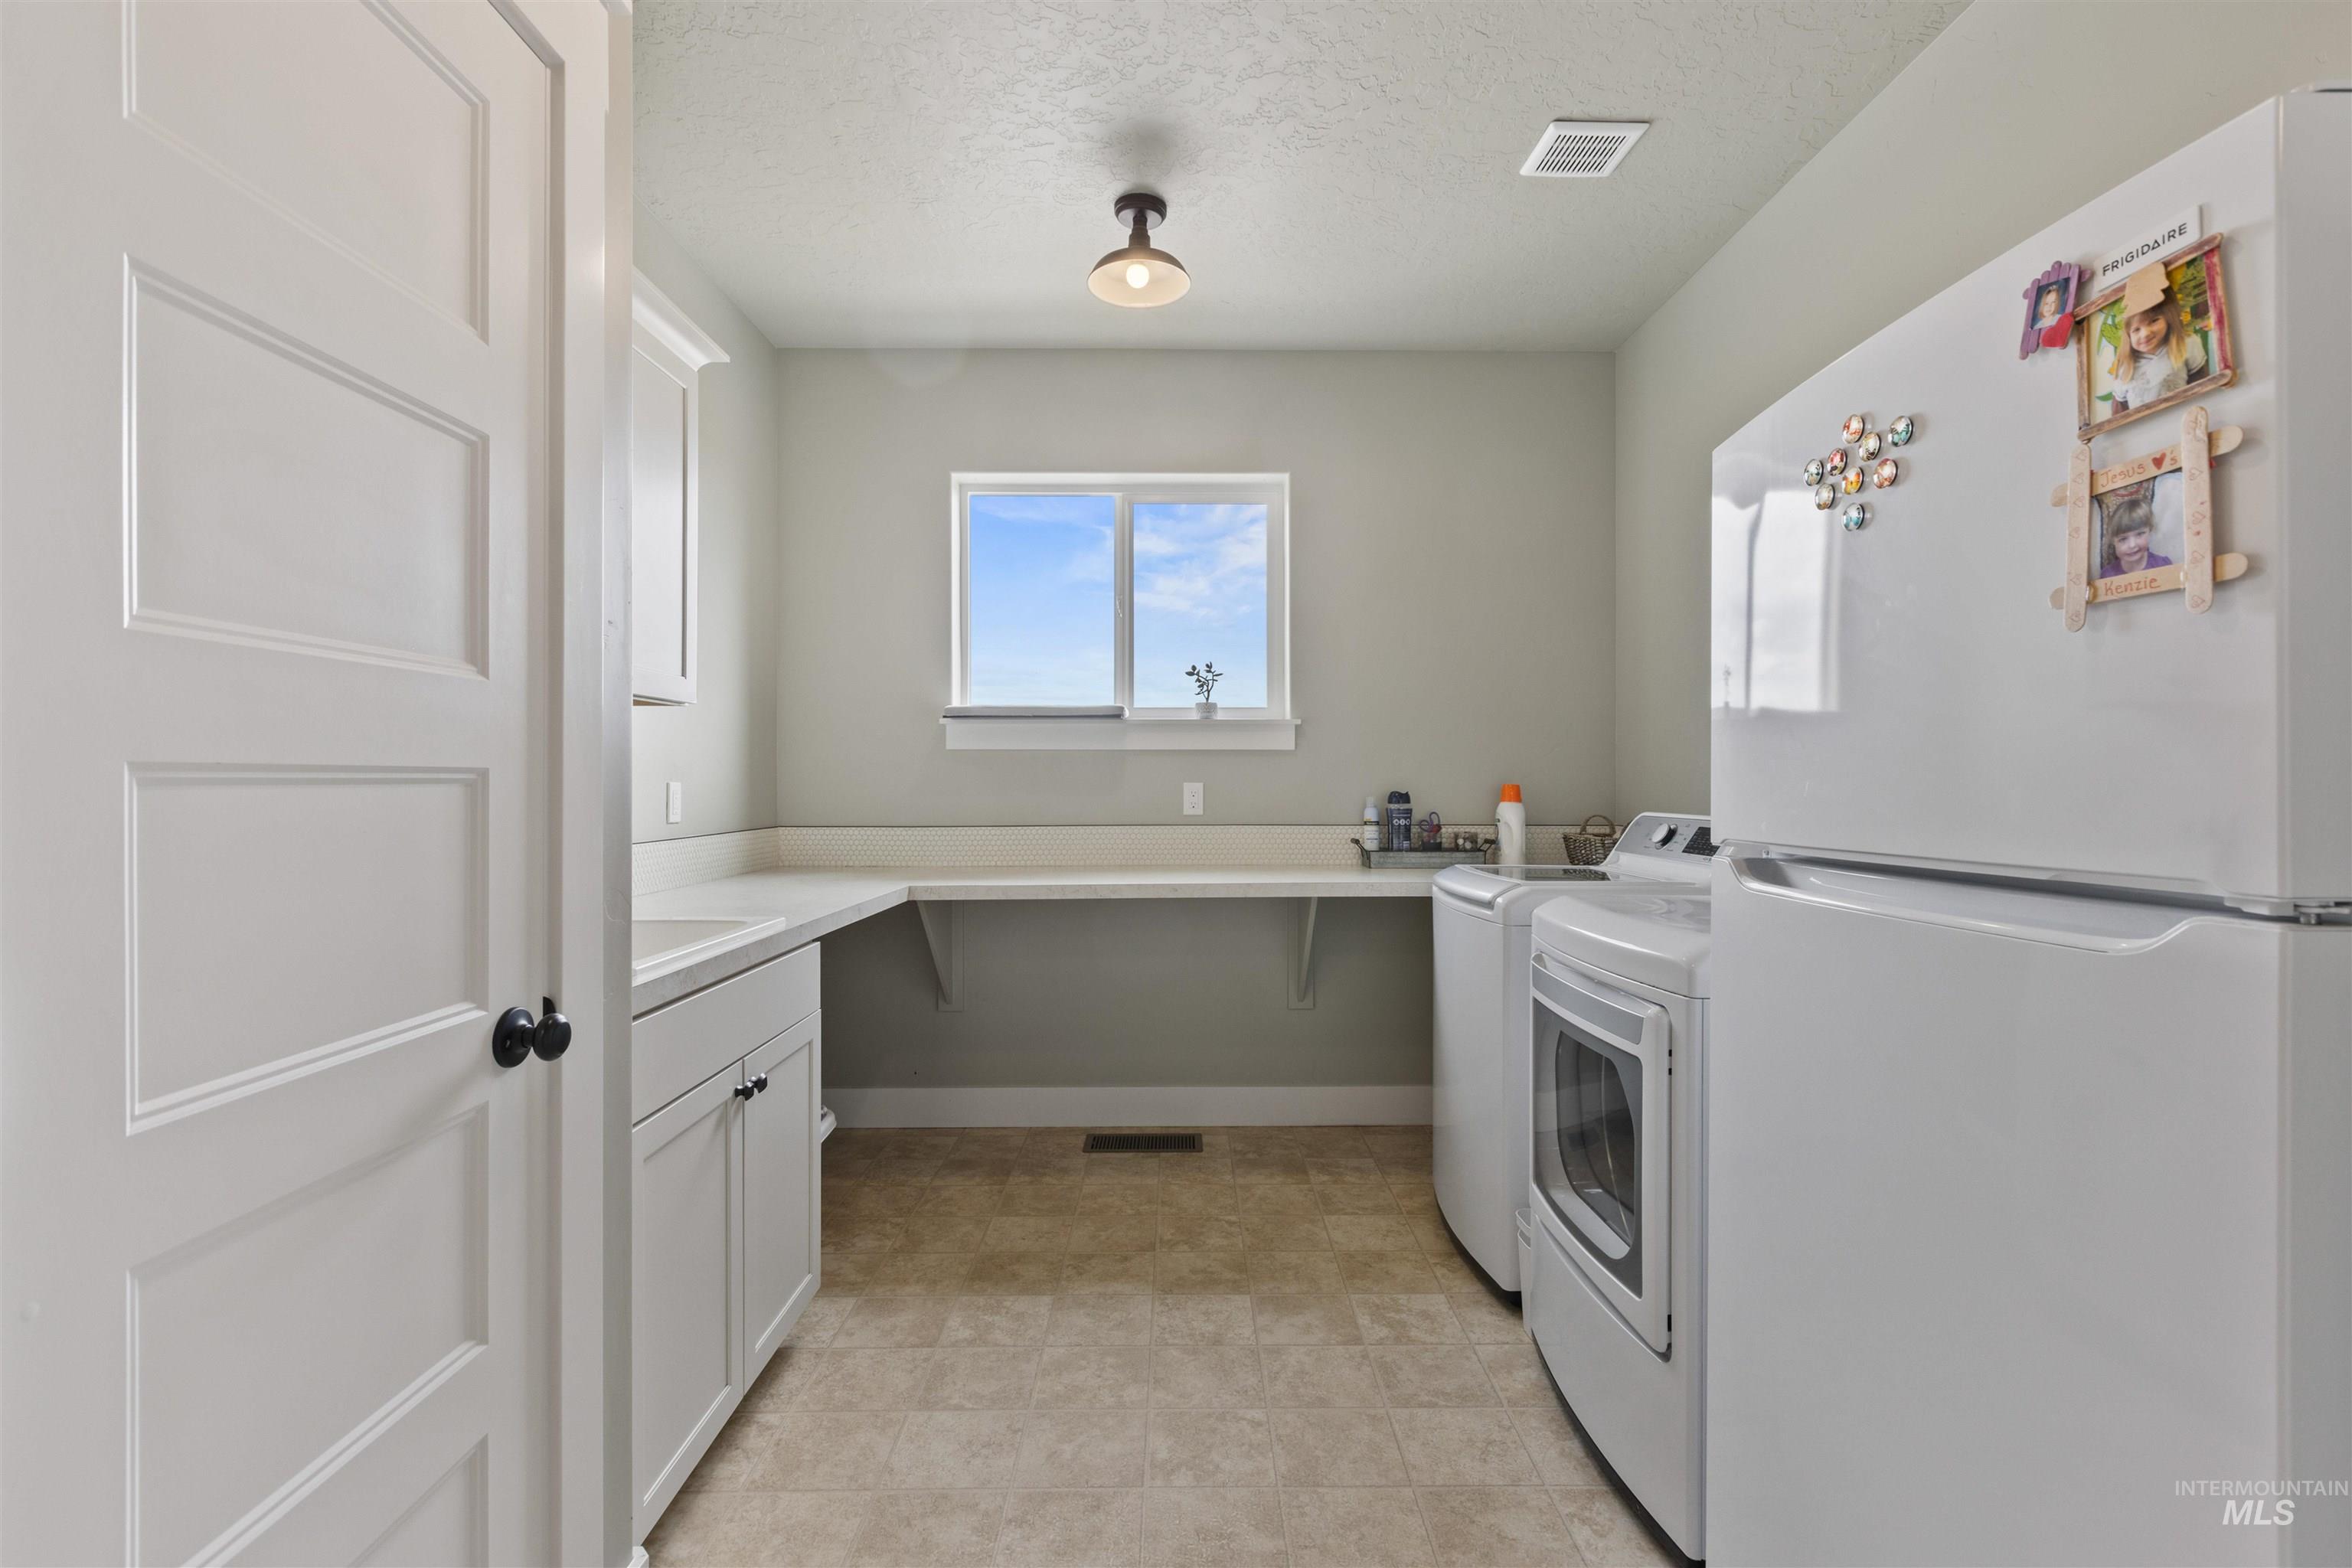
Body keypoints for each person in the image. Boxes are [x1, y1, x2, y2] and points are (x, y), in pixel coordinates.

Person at [2109, 286, 2207, 413]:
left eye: (2154, 321)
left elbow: (2203, 385)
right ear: (2128, 336)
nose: (2145, 334)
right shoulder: (2124, 367)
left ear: (2167, 318)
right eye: (2136, 330)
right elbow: (2118, 413)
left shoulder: (2186, 343)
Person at [2099, 491, 2172, 578]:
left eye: (2140, 534)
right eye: (2123, 539)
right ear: (2113, 541)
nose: (2132, 545)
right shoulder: (2108, 575)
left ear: (2150, 531)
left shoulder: (2162, 566)